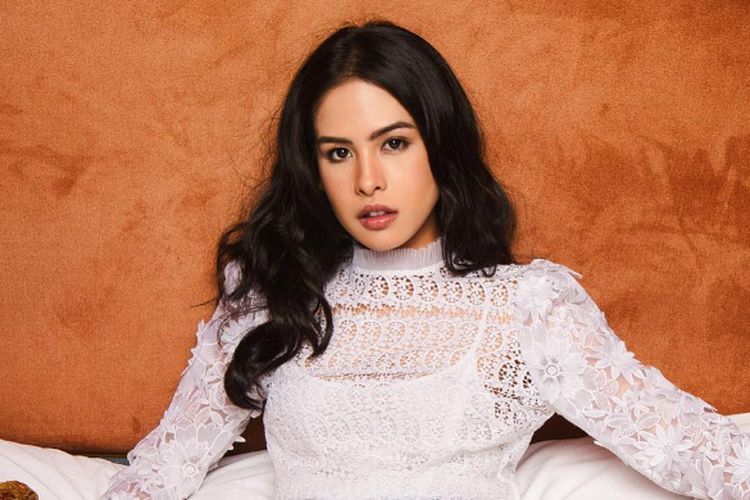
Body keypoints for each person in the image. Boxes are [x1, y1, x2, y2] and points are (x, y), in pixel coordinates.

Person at [102, 19, 750, 500]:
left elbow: (690, 449)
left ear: (440, 145)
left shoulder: (528, 306)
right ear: (314, 169)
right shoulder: (274, 293)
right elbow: (160, 472)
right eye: (338, 153)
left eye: (394, 143)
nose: (368, 180)